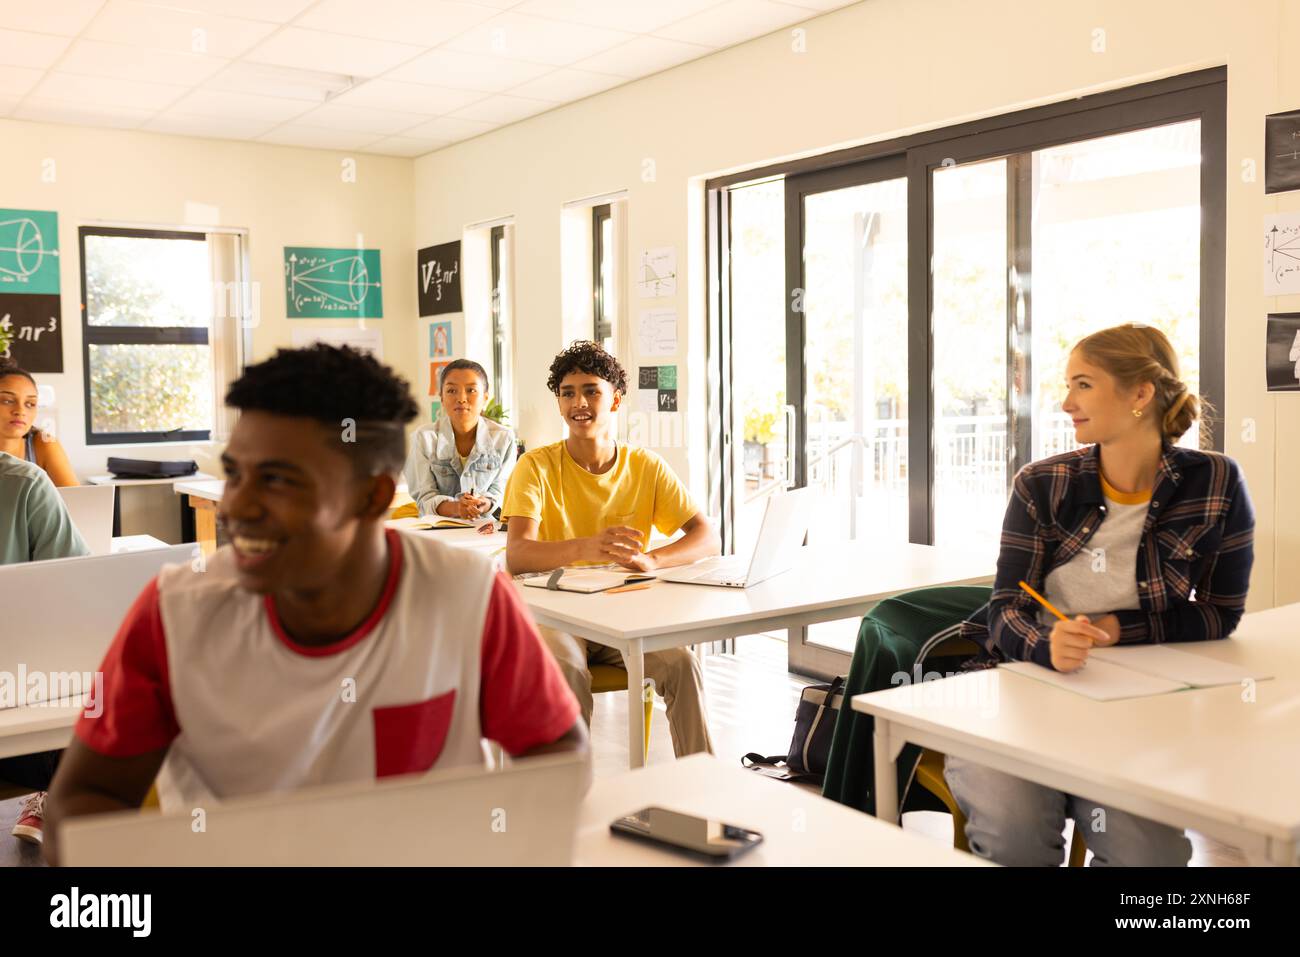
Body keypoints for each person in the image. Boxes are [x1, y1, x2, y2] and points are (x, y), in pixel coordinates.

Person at [44, 345, 586, 864]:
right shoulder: (174, 613)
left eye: (278, 480)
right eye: (235, 473)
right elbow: (80, 807)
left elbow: (558, 756)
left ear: (371, 496)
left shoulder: (467, 594)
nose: (236, 506)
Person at [946, 324, 1255, 866]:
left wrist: (1117, 629)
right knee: (1016, 838)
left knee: (1150, 861)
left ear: (1140, 395)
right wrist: (1045, 646)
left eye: (1083, 385)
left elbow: (1220, 614)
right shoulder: (1042, 484)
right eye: (1069, 385)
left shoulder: (1217, 482)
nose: (1067, 402)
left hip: (1129, 707)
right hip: (1013, 690)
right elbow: (1004, 608)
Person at [501, 341, 720, 757]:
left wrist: (651, 560)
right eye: (567, 393)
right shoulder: (535, 466)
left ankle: (704, 795)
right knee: (565, 669)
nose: (578, 403)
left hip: (623, 613)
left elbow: (706, 536)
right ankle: (569, 801)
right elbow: (519, 555)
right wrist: (587, 547)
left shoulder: (646, 465)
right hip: (556, 614)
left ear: (616, 399)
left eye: (591, 390)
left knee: (682, 665)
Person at [404, 359, 516, 526]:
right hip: (437, 532)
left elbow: (501, 493)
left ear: (485, 397)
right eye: (451, 390)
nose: (461, 398)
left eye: (471, 390)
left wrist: (483, 504)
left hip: (483, 531)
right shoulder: (423, 438)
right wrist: (457, 508)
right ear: (441, 397)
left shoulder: (504, 438)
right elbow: (424, 499)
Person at [0, 359, 78, 487]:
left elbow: (78, 502)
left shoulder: (45, 444)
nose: (20, 411)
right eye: (7, 401)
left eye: (30, 404)